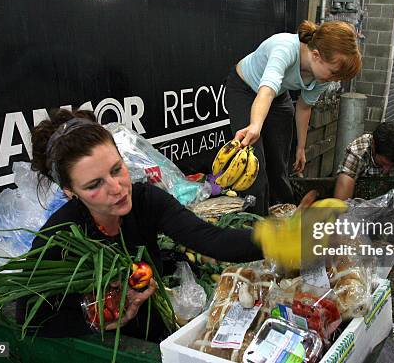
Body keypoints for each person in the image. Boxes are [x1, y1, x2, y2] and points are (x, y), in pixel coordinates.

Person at [18, 109, 263, 341]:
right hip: (106, 348)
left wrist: (285, 238)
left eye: (117, 169)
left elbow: (212, 239)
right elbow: (28, 316)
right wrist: (96, 311)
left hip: (155, 337)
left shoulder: (146, 200)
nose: (117, 188)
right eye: (94, 185)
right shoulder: (60, 235)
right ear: (71, 192)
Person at [224, 20, 362, 215]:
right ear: (316, 55)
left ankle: (284, 213)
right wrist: (255, 125)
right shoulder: (284, 48)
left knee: (280, 162)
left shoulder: (323, 75)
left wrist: (301, 147)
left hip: (278, 95)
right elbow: (267, 91)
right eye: (333, 74)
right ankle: (256, 223)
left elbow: (304, 107)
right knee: (254, 163)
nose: (334, 81)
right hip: (246, 89)